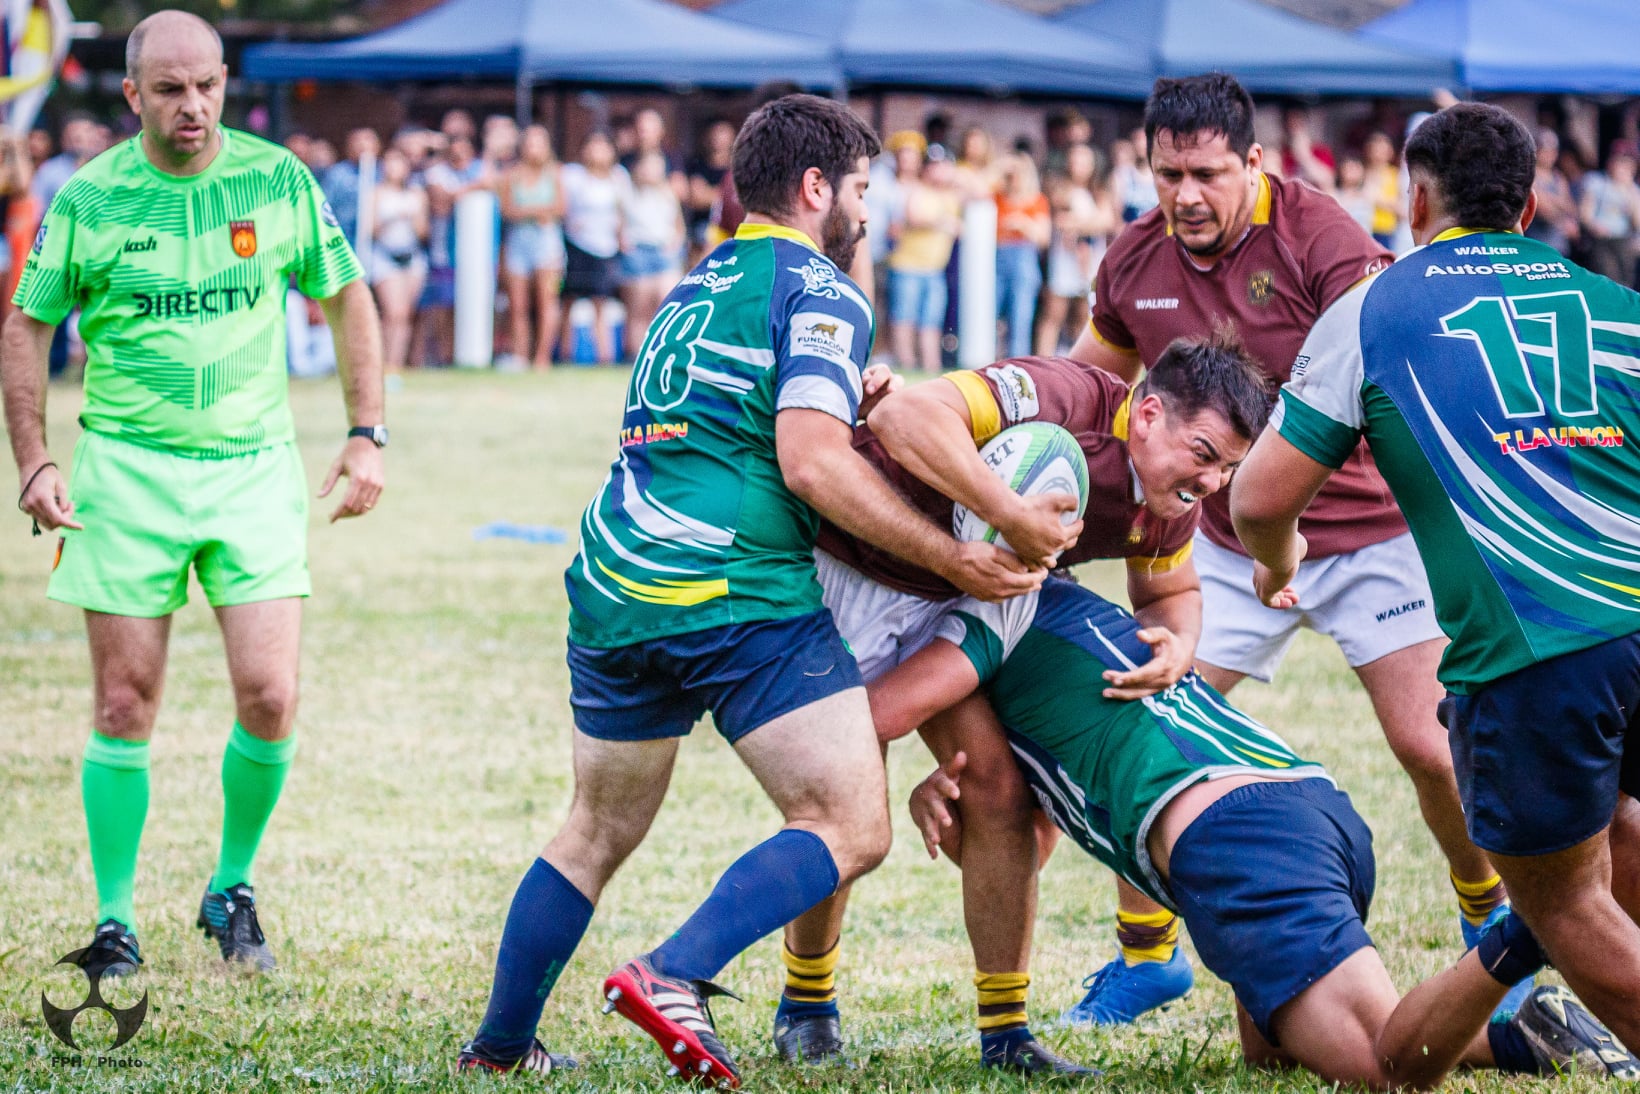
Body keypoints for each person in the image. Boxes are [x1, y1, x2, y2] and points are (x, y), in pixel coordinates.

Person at [453, 93, 1042, 1083]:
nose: (865, 213)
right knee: (850, 824)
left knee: (593, 830)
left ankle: (498, 1049)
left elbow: (725, 420)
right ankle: (674, 974)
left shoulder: (696, 282)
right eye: (859, 190)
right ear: (815, 189)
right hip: (726, 589)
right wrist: (951, 561)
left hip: (612, 579)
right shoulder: (820, 286)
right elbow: (809, 463)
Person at [1063, 72, 1519, 1028]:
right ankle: (1146, 959)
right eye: (1168, 173)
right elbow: (1087, 383)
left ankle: (1491, 925)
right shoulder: (1134, 257)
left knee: (1431, 750)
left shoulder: (1324, 241)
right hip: (1223, 543)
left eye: (1209, 173)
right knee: (1148, 725)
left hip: (1364, 532)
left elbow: (1397, 366)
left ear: (1256, 164)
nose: (1186, 194)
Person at [1233, 98, 1640, 1067]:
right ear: (1532, 202)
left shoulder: (1373, 309)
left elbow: (1258, 495)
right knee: (1614, 841)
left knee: (1564, 905)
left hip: (1535, 654)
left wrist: (1275, 562)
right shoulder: (1615, 305)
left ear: (1413, 199)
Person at [885, 576, 1638, 1088]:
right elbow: (1018, 822)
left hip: (1238, 842)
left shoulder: (968, 629)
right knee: (1270, 1056)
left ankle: (1525, 961)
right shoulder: (1063, 602)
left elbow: (880, 728)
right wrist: (951, 788)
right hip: (1309, 806)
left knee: (1386, 1068)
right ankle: (1516, 1013)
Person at [0, 10, 384, 977]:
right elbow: (25, 326)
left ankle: (230, 887)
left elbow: (346, 297)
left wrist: (365, 433)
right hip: (126, 473)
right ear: (133, 96)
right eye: (170, 90)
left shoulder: (274, 177)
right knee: (125, 703)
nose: (193, 107)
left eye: (207, 85)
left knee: (270, 694)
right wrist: (36, 461)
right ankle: (115, 920)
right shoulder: (90, 198)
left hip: (253, 471)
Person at [774, 332, 1270, 1073]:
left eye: (1229, 466)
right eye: (1204, 455)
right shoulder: (1065, 398)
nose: (1214, 482)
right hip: (851, 563)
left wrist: (1176, 641)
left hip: (947, 602)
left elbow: (1171, 591)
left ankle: (1006, 1033)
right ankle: (806, 1002)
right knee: (847, 794)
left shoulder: (1172, 501)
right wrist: (1007, 510)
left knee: (1002, 796)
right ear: (1150, 413)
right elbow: (903, 418)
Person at [887, 147, 962, 373]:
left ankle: (931, 367)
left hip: (934, 268)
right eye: (934, 165)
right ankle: (906, 365)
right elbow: (914, 215)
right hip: (908, 265)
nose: (939, 170)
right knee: (904, 319)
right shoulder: (916, 189)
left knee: (931, 321)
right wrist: (943, 222)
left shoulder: (950, 195)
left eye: (943, 165)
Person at [1036, 142, 1113, 356]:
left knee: (1084, 314)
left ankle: (1079, 362)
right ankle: (1044, 362)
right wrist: (1090, 222)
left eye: (1084, 160)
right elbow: (1062, 221)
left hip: (1090, 260)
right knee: (1054, 313)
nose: (1078, 165)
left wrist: (1082, 223)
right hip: (1064, 258)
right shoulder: (1059, 187)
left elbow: (1107, 221)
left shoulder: (1099, 190)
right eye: (1075, 159)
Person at [558, 131, 628, 365]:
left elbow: (622, 211)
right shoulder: (572, 175)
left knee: (600, 303)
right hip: (576, 247)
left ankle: (604, 358)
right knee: (568, 301)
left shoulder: (619, 177)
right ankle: (564, 356)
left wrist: (622, 237)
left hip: (605, 248)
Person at [498, 124, 564, 372]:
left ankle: (542, 358)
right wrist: (539, 211)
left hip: (547, 244)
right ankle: (520, 355)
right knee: (518, 304)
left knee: (547, 301)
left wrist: (526, 211)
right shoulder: (511, 175)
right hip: (519, 244)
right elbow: (507, 210)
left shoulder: (555, 173)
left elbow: (559, 208)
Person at [365, 147, 428, 380]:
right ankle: (378, 364)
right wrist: (391, 219)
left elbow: (423, 233)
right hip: (384, 257)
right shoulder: (376, 193)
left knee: (404, 315)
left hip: (412, 258)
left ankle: (394, 366)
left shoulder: (416, 194)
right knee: (393, 313)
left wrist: (412, 218)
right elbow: (370, 230)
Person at [618, 150, 685, 362]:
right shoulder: (628, 193)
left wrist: (674, 245)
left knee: (667, 305)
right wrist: (625, 244)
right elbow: (619, 224)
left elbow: (679, 226)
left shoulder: (669, 193)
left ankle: (662, 356)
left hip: (664, 253)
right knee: (639, 308)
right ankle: (635, 357)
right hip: (638, 252)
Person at [993, 154, 1050, 359]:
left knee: (1020, 317)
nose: (1013, 178)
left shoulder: (1036, 200)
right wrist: (1000, 165)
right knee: (990, 315)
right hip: (997, 257)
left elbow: (1044, 237)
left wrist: (1023, 223)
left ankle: (1015, 363)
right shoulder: (996, 196)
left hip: (1023, 258)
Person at [1578, 141, 1640, 288]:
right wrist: (1595, 227)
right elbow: (1584, 214)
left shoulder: (1633, 189)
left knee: (1626, 282)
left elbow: (1637, 222)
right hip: (1601, 240)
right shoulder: (1595, 181)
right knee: (1608, 280)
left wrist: (1628, 188)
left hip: (1623, 240)